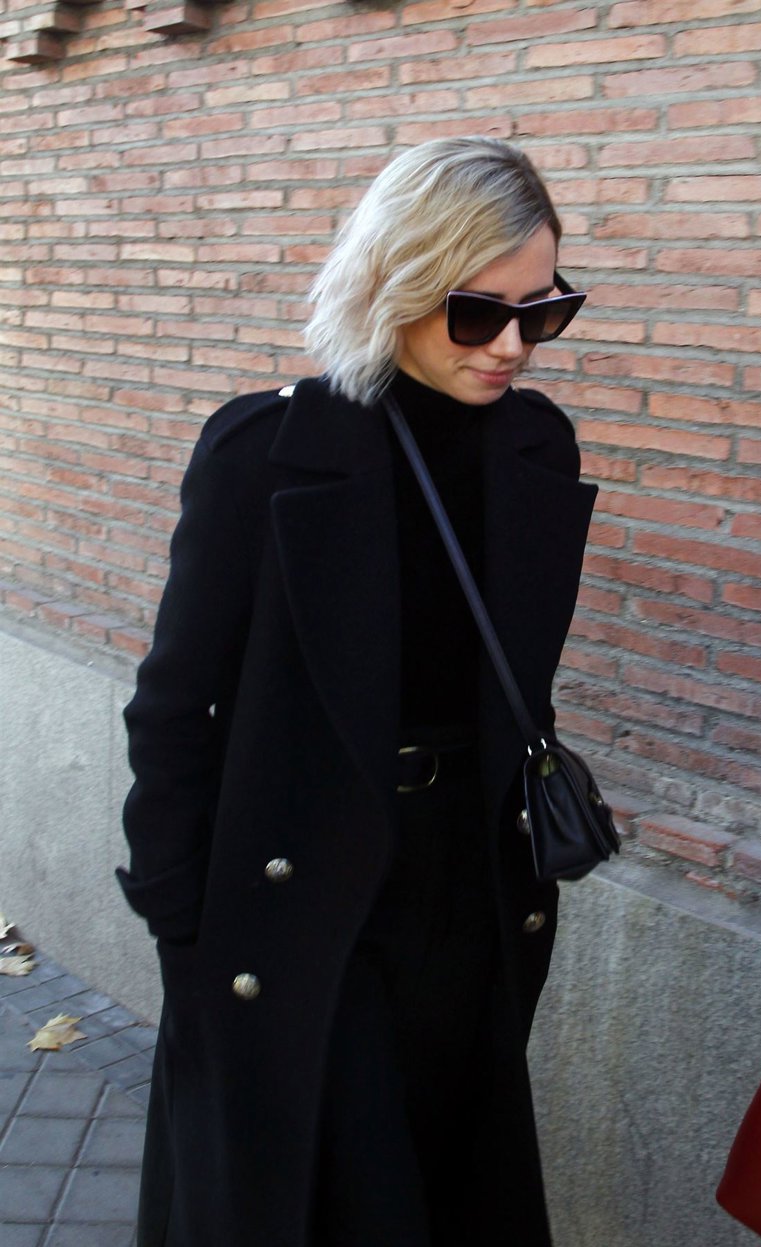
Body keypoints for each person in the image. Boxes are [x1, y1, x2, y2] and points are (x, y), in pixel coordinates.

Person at [118, 135, 598, 1247]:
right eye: (478, 313)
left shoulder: (535, 448)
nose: (513, 345)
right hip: (297, 885)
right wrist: (179, 920)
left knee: (448, 1180)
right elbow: (173, 705)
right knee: (317, 1191)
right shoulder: (266, 452)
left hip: (466, 888)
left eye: (545, 311)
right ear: (397, 283)